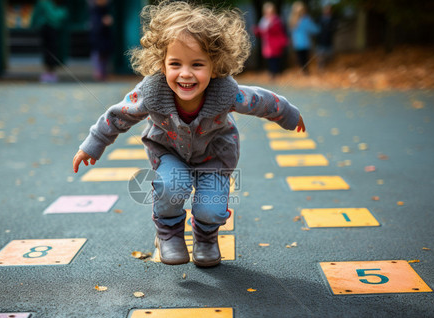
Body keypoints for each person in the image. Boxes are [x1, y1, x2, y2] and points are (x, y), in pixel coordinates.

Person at [73, 0, 306, 267]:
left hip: (215, 156)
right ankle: (169, 232)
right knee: (172, 185)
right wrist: (94, 143)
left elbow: (261, 101)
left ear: (214, 65)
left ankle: (206, 238)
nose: (185, 74)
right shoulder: (152, 92)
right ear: (161, 64)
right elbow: (119, 115)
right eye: (175, 64)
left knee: (211, 206)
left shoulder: (225, 92)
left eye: (197, 64)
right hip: (168, 151)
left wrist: (287, 114)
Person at [30, 0, 68, 83]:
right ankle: (49, 72)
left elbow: (53, 15)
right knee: (49, 50)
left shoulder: (46, 4)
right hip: (48, 29)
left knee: (52, 49)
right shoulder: (44, 3)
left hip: (53, 29)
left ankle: (51, 72)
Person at [254, 2, 288, 79]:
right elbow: (262, 31)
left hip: (275, 43)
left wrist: (271, 28)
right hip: (267, 43)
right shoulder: (263, 20)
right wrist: (257, 31)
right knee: (269, 59)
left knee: (275, 59)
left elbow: (279, 30)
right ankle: (272, 73)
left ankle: (276, 73)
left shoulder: (276, 20)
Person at [288, 1, 319, 74]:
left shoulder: (302, 19)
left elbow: (313, 29)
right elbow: (314, 29)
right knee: (302, 59)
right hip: (300, 43)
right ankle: (304, 72)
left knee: (304, 59)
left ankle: (305, 72)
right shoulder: (298, 20)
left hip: (303, 43)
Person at [88, 0, 113, 81]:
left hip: (105, 36)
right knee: (97, 53)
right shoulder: (94, 10)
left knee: (105, 53)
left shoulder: (107, 8)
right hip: (97, 36)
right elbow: (94, 24)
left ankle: (103, 72)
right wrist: (102, 22)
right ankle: (98, 71)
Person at [316, 3, 336, 70]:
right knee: (320, 56)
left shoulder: (333, 19)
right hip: (320, 41)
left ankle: (328, 68)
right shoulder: (319, 18)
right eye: (327, 9)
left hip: (329, 41)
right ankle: (321, 68)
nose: (328, 11)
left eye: (329, 9)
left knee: (329, 56)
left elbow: (334, 29)